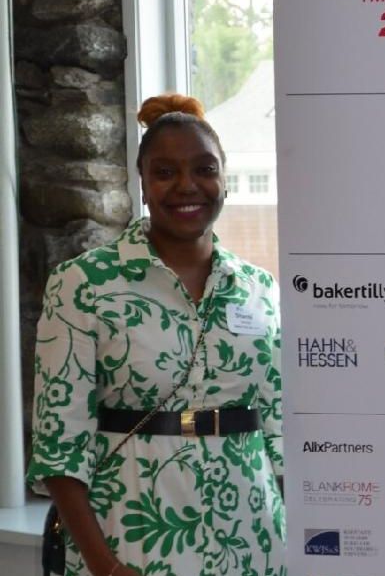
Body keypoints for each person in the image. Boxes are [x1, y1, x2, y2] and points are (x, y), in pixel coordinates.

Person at [28, 94, 285, 576]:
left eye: (204, 169)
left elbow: (279, 432)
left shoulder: (260, 289)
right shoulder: (84, 284)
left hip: (254, 541)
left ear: (224, 180)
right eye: (165, 172)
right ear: (143, 185)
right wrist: (105, 566)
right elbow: (59, 447)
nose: (187, 185)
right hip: (131, 540)